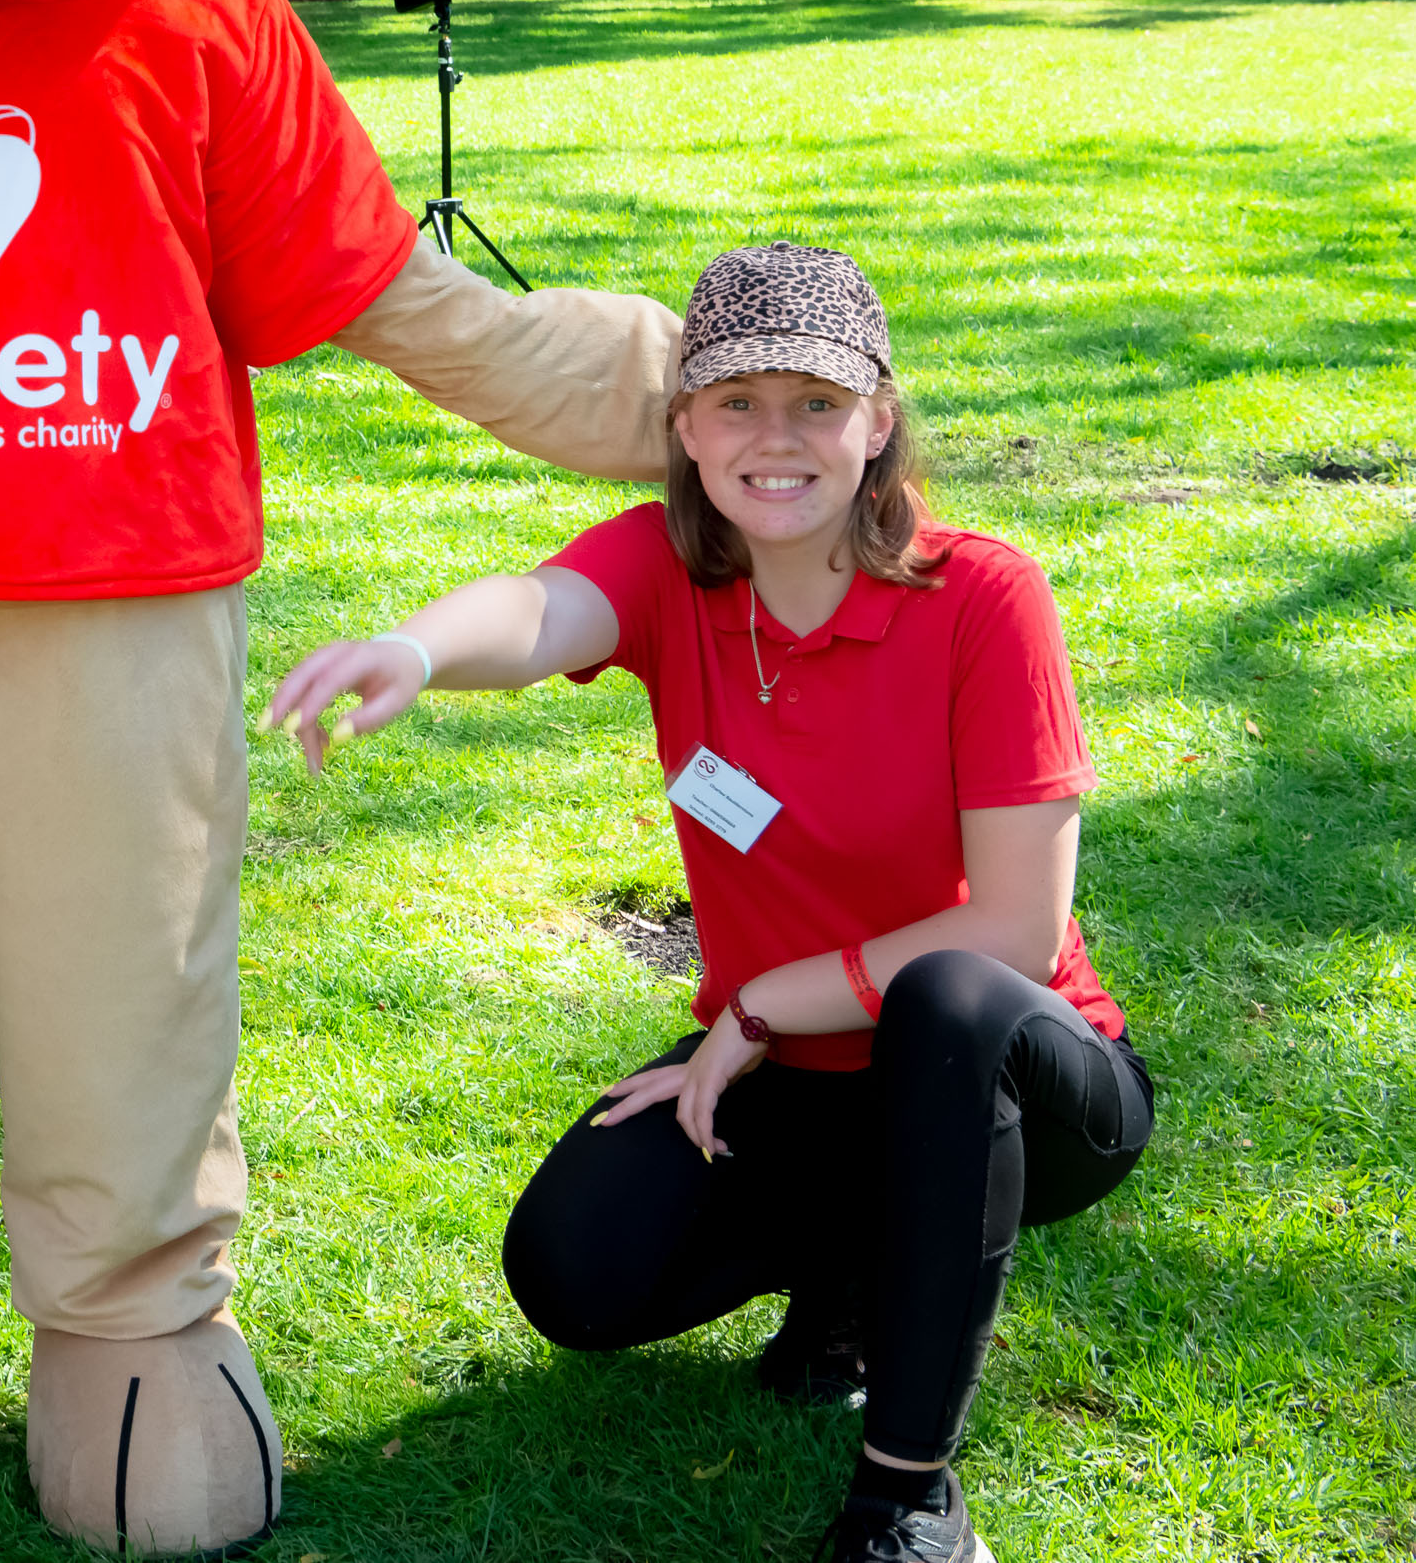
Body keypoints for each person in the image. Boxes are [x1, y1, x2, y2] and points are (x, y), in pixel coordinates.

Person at [267, 243, 1152, 1563]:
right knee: (576, 1264)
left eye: (814, 400)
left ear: (878, 421)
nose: (773, 436)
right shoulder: (676, 577)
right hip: (798, 1067)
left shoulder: (982, 595)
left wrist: (756, 1002)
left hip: (1017, 1072)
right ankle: (854, 1274)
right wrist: (410, 646)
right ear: (682, 426)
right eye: (735, 400)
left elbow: (1013, 929)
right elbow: (537, 606)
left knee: (948, 994)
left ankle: (908, 1492)